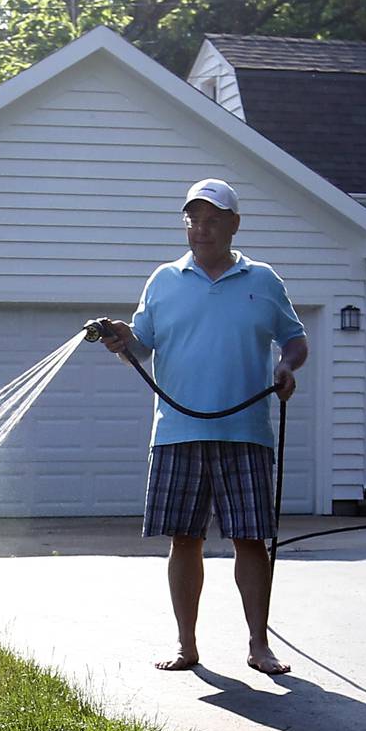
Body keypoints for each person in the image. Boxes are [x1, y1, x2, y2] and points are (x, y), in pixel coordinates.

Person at [93, 178, 308, 675]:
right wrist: (120, 337)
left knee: (251, 539)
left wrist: (287, 366)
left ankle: (259, 645)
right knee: (183, 540)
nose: (201, 229)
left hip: (246, 432)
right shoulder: (164, 280)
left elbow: (295, 339)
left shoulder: (264, 280)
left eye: (212, 220)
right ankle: (187, 646)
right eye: (193, 219)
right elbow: (140, 344)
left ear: (233, 224)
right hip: (176, 432)